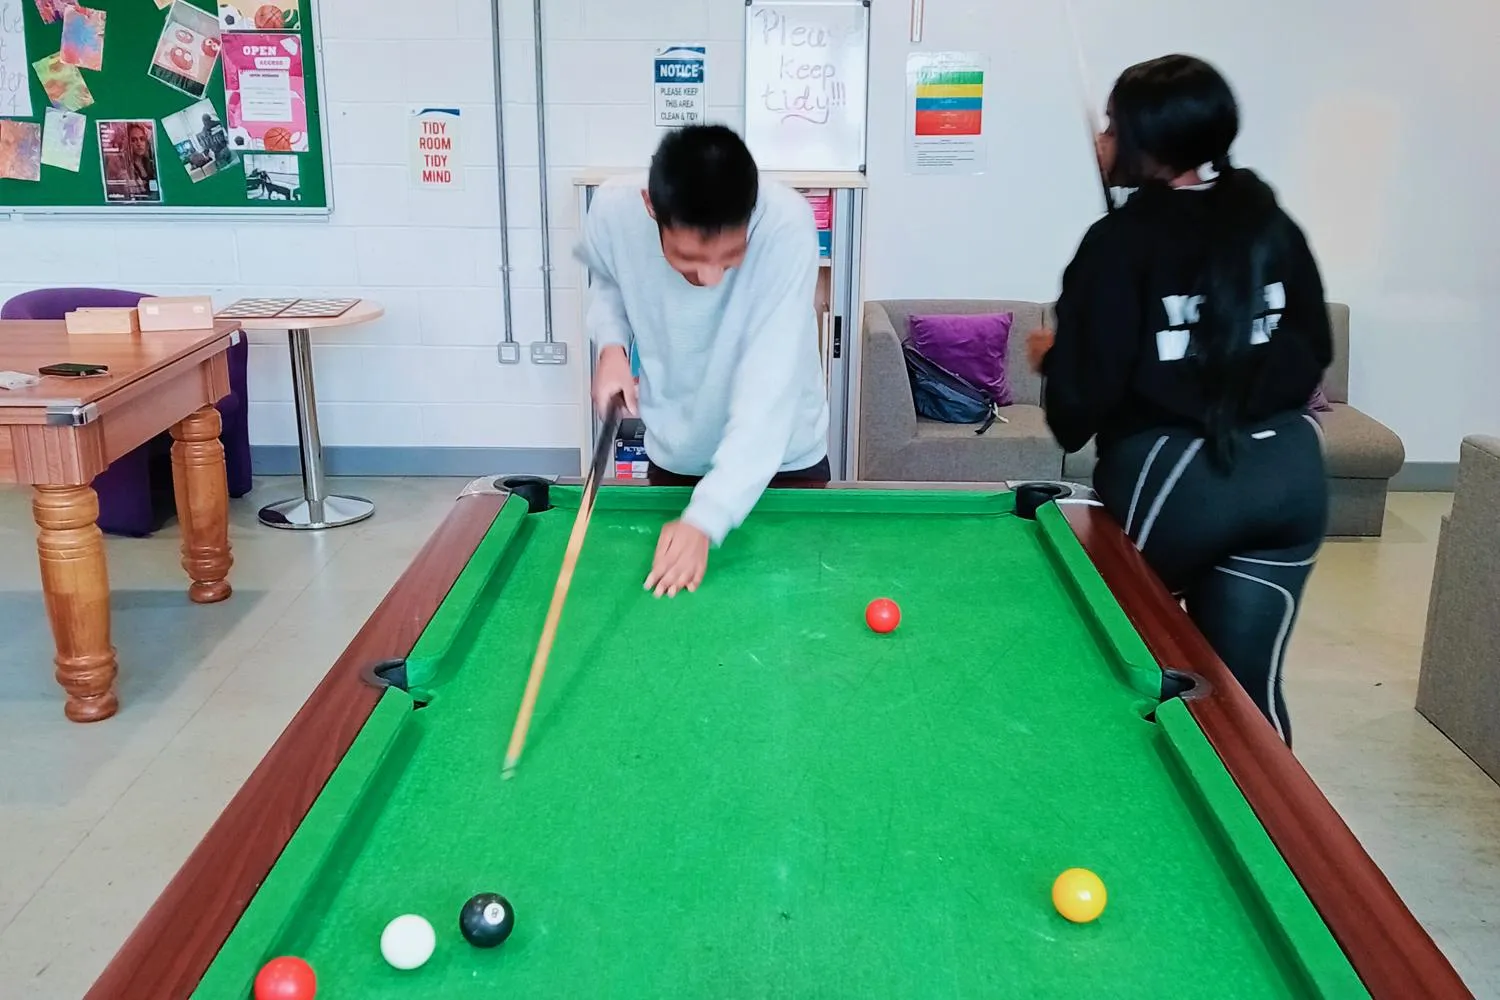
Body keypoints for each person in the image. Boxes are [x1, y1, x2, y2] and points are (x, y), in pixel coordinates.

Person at [1027, 55, 1332, 745]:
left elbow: (1077, 414)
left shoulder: (1118, 243)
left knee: (1089, 651)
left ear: (1145, 142)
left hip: (1178, 479)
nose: (1102, 139)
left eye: (1112, 125)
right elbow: (1310, 348)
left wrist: (1059, 358)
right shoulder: (1268, 219)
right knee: (1244, 694)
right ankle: (1283, 843)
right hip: (1291, 472)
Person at [577, 124, 829, 598]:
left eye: (730, 257)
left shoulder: (786, 225)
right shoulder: (612, 208)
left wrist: (707, 515)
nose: (710, 278)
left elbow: (769, 389)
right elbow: (608, 278)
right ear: (652, 207)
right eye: (689, 258)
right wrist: (612, 346)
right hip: (678, 451)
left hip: (783, 463)